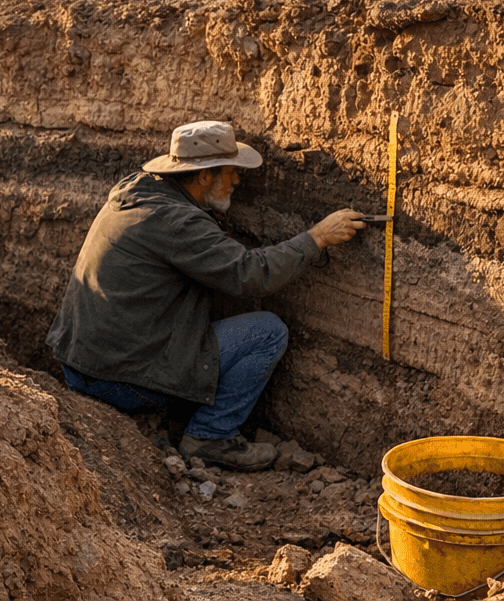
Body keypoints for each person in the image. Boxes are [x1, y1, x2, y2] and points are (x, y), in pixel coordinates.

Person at [46, 120, 363, 471]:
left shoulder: (139, 194)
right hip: (117, 382)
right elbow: (250, 274)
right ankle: (212, 436)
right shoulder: (179, 222)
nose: (237, 181)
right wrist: (316, 237)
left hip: (79, 366)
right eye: (230, 173)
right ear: (201, 177)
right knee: (266, 332)